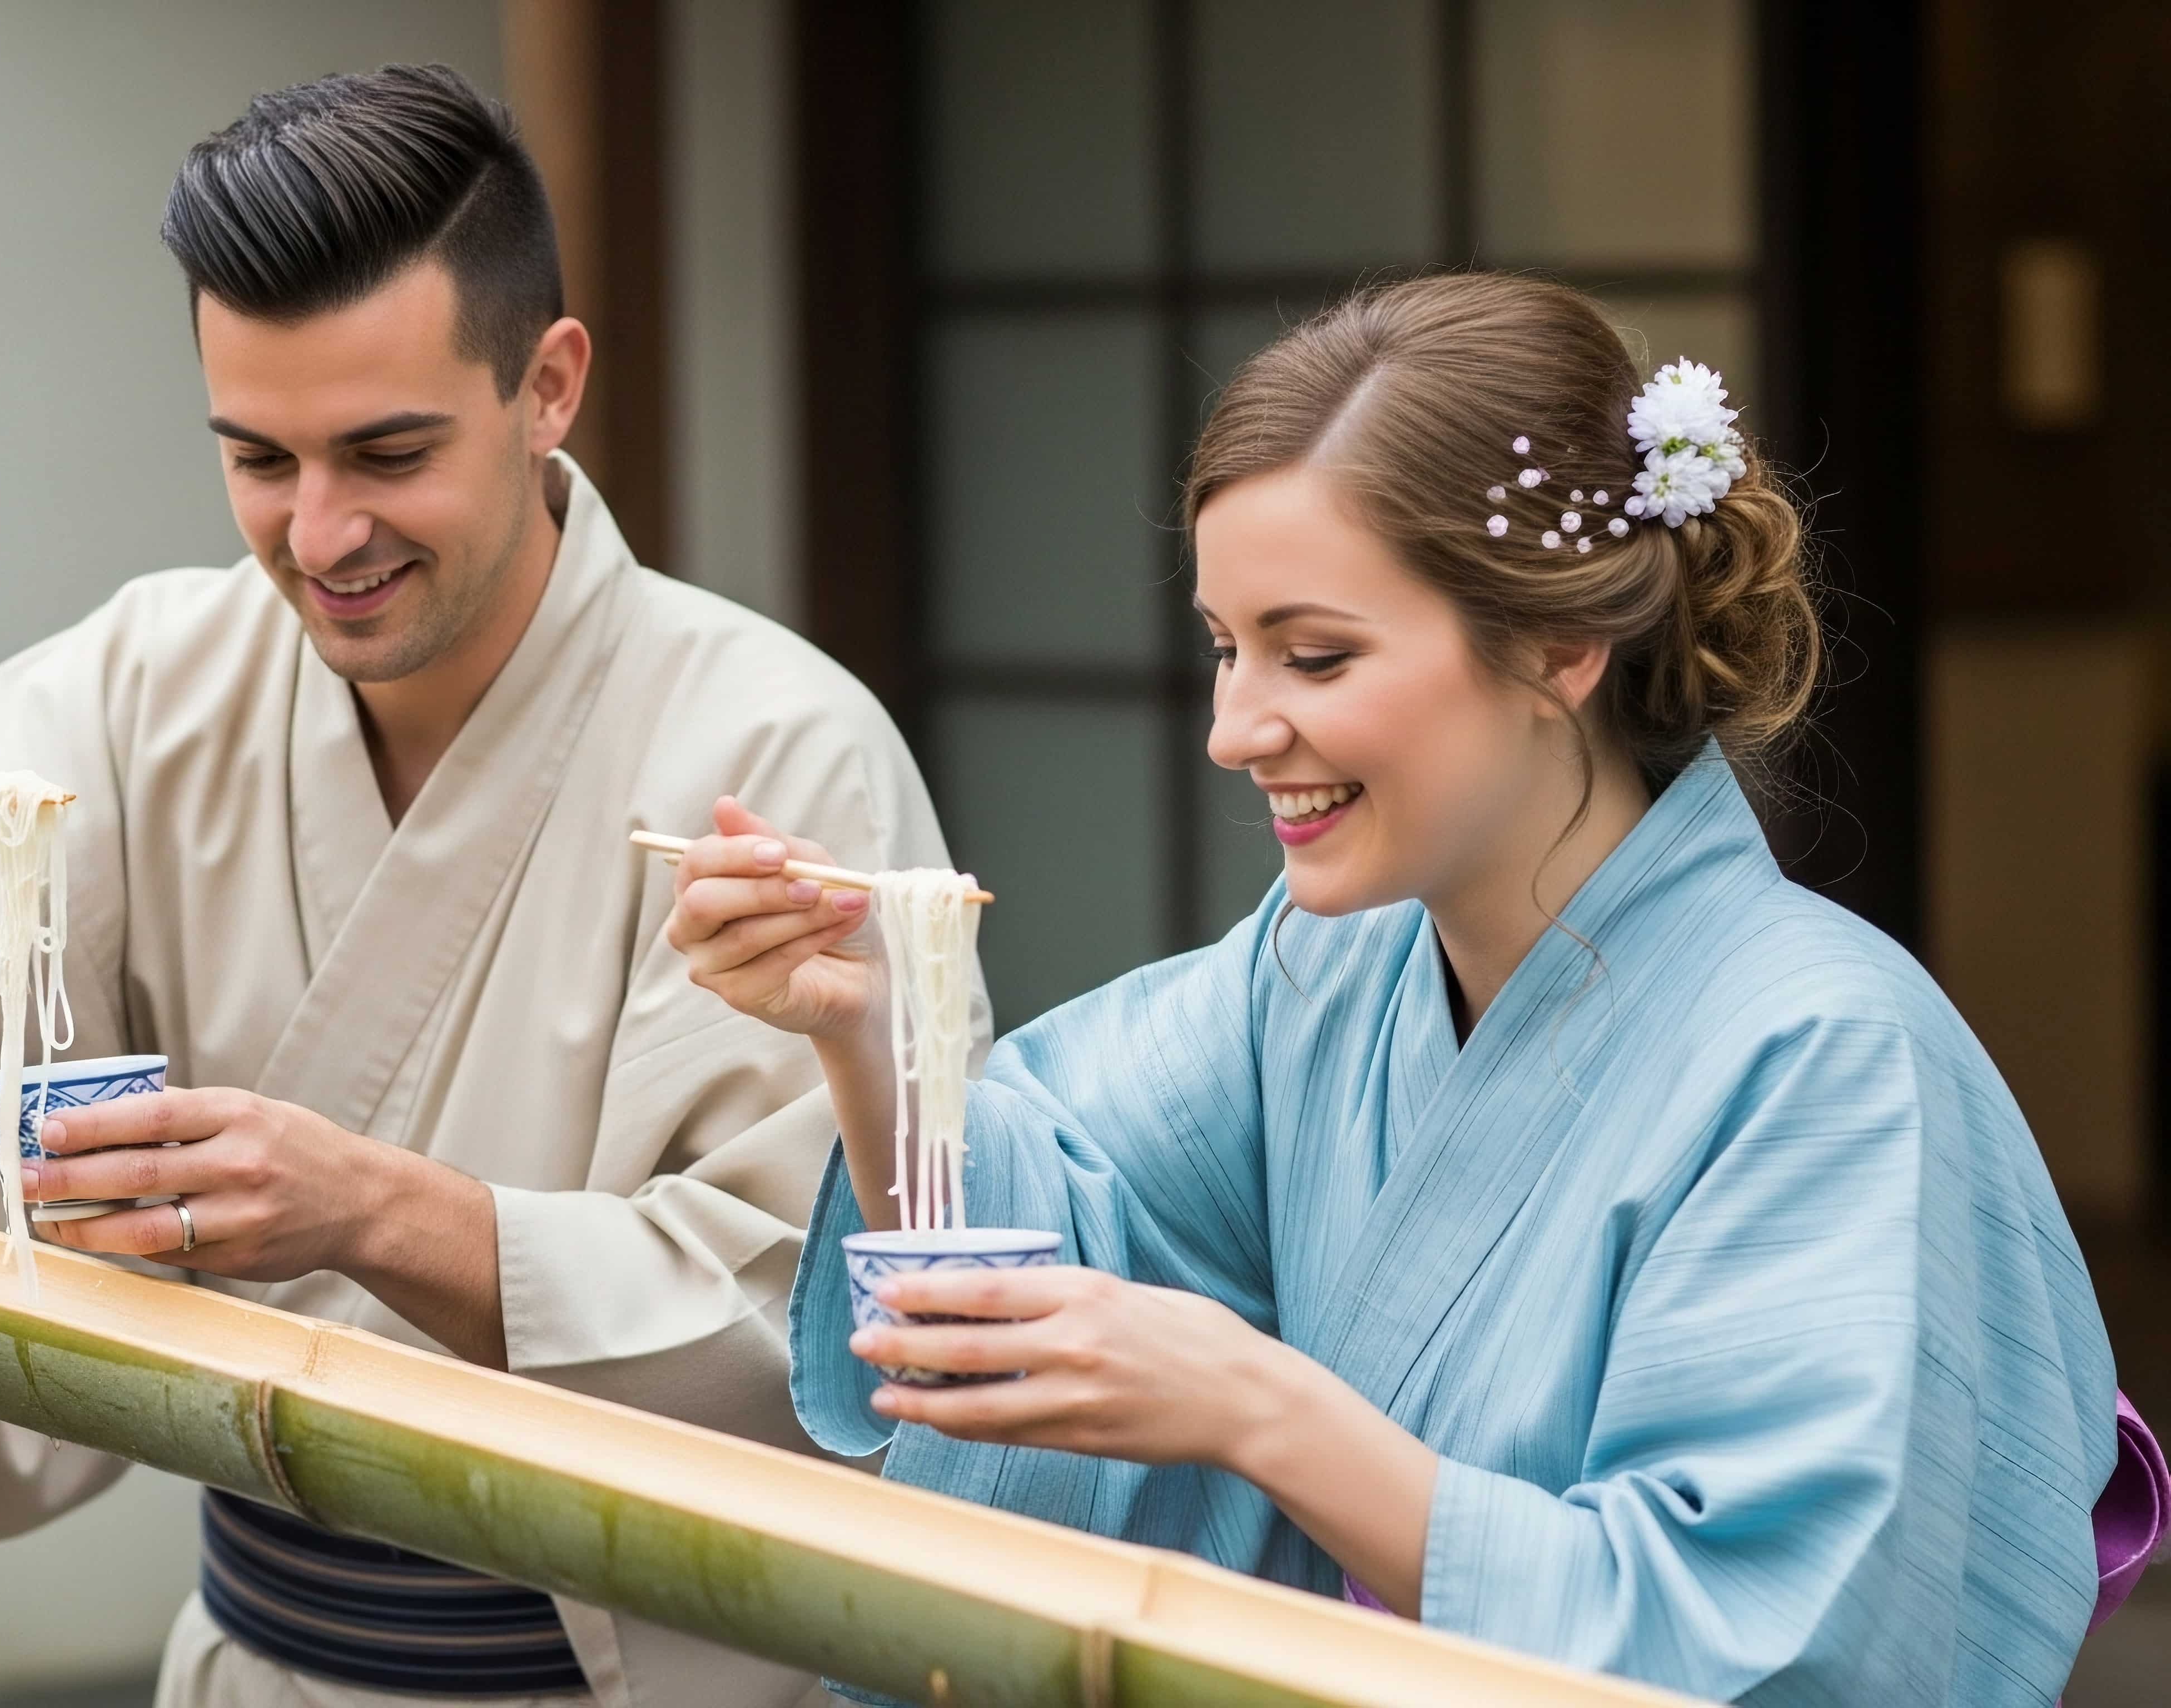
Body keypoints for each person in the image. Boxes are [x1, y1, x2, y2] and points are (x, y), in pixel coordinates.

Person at [0, 64, 966, 1708]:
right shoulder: (150, 679)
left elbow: (821, 1306)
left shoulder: (778, 747)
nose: (321, 533)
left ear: (549, 386)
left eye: (386, 452)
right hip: (256, 1660)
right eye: (260, 459)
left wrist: (374, 1211)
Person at [663, 272, 2155, 1705]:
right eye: (1225, 650)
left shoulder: (1824, 1054)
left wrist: (1258, 1407)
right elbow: (1042, 1230)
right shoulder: (1322, 970)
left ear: (1562, 643)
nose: (1236, 729)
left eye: (1314, 656)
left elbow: (1763, 1641)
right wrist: (874, 1037)